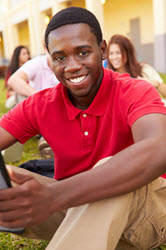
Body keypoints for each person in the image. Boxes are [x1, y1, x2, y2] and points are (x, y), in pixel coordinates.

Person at [1, 7, 166, 250]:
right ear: (50, 60)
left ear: (102, 50)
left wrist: (53, 197)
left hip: (145, 216)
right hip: (75, 211)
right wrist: (51, 198)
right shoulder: (41, 103)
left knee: (109, 169)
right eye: (60, 58)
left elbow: (158, 149)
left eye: (82, 52)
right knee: (6, 177)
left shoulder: (134, 91)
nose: (71, 66)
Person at [106, 34, 166, 99]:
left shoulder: (143, 69)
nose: (114, 57)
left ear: (128, 53)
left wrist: (155, 83)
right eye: (111, 53)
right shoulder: (109, 77)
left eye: (118, 53)